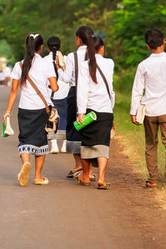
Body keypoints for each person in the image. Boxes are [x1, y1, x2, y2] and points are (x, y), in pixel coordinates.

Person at [130, 28, 166, 188]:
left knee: (151, 144)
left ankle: (153, 180)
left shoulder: (143, 65)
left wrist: (133, 111)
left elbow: (137, 89)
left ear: (147, 46)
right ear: (164, 42)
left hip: (149, 111)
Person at [4, 33, 58, 186]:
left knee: (25, 139)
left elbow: (14, 90)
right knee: (41, 141)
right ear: (41, 48)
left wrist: (7, 111)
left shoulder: (19, 65)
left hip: (25, 108)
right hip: (42, 108)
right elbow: (54, 87)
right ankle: (38, 176)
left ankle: (25, 165)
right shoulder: (46, 64)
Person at [75, 35, 115, 189]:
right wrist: (111, 109)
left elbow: (82, 90)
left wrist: (81, 112)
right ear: (102, 48)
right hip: (105, 109)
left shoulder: (85, 66)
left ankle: (85, 176)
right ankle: (101, 178)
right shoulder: (110, 63)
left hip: (89, 110)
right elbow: (110, 89)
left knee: (87, 143)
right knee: (103, 144)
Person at [63, 25, 94, 178]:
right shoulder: (97, 54)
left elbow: (66, 78)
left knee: (74, 127)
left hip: (75, 93)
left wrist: (59, 68)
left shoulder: (72, 56)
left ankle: (78, 165)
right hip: (93, 94)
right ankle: (90, 169)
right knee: (90, 127)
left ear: (78, 39)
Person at [43, 36, 70, 154]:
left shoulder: (44, 60)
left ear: (47, 48)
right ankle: (65, 144)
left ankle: (53, 145)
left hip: (50, 94)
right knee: (65, 117)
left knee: (51, 118)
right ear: (61, 46)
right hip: (64, 93)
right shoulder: (67, 59)